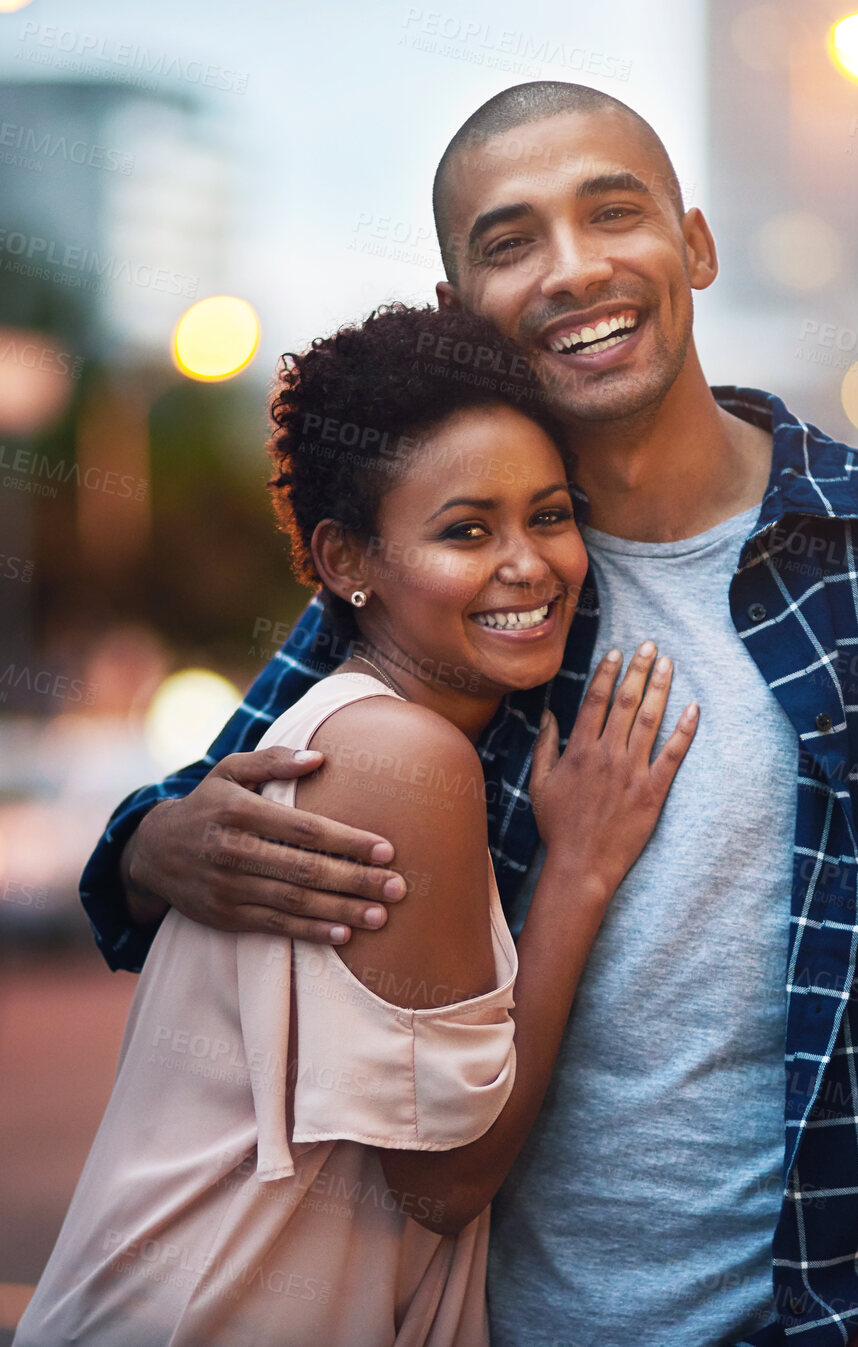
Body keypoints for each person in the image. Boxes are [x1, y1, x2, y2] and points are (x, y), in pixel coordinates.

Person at [79, 82, 858, 1346]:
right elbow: (209, 807)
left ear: (692, 242)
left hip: (831, 1313)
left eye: (611, 213)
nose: (572, 270)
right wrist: (148, 848)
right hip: (504, 1322)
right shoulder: (463, 584)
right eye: (510, 241)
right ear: (461, 305)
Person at [22, 303, 695, 1347]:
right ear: (345, 561)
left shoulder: (376, 730)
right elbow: (446, 1179)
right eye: (466, 531)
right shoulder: (398, 757)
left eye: (550, 515)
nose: (528, 564)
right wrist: (578, 872)